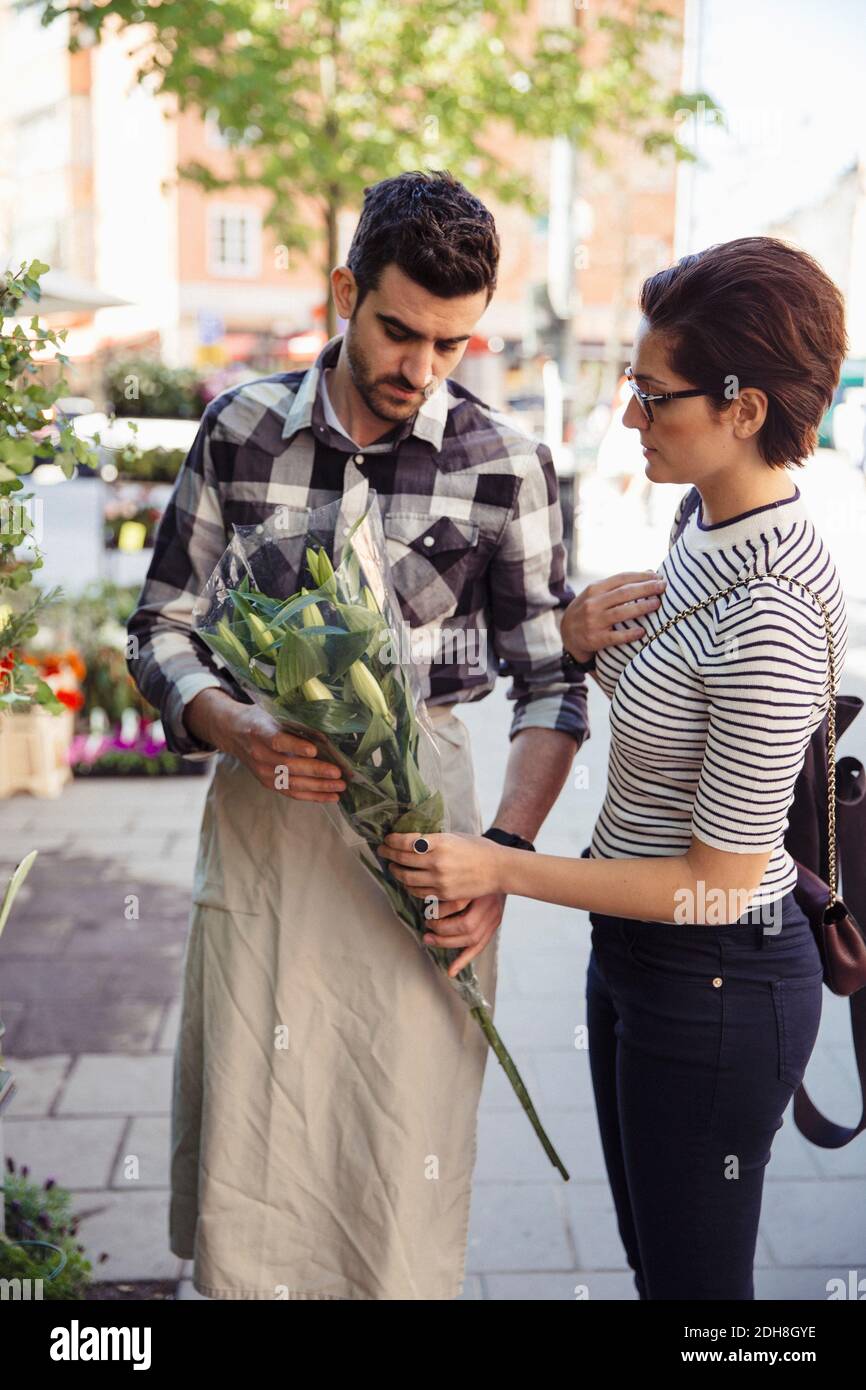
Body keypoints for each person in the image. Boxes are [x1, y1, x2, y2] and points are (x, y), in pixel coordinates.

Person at [126, 169, 588, 1300]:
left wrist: (499, 857)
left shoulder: (505, 465)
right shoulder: (237, 428)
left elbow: (551, 686)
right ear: (344, 290)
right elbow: (159, 627)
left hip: (425, 839)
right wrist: (229, 721)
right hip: (265, 820)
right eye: (396, 330)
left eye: (451, 344)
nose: (418, 369)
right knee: (259, 1125)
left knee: (399, 1135)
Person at [380, 235, 849, 1301]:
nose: (628, 418)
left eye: (651, 394)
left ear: (743, 409)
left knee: (696, 1301)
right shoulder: (702, 521)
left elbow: (716, 878)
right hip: (639, 962)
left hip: (714, 980)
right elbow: (664, 689)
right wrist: (579, 635)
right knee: (657, 1270)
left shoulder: (769, 608)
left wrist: (497, 864)